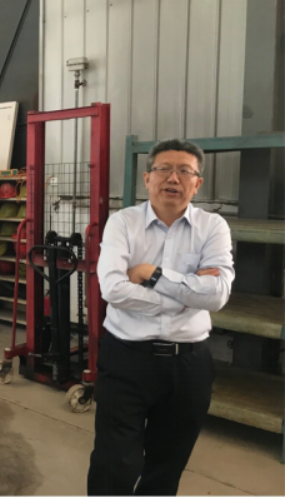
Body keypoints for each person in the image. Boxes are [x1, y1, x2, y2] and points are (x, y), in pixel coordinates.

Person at [88, 138, 235, 495]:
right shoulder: (123, 223)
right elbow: (113, 289)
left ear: (197, 183)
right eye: (164, 169)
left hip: (188, 365)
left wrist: (151, 274)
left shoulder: (213, 227)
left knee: (167, 467)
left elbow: (217, 295)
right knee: (114, 463)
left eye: (185, 171)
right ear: (147, 178)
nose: (173, 178)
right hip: (126, 359)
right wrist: (186, 297)